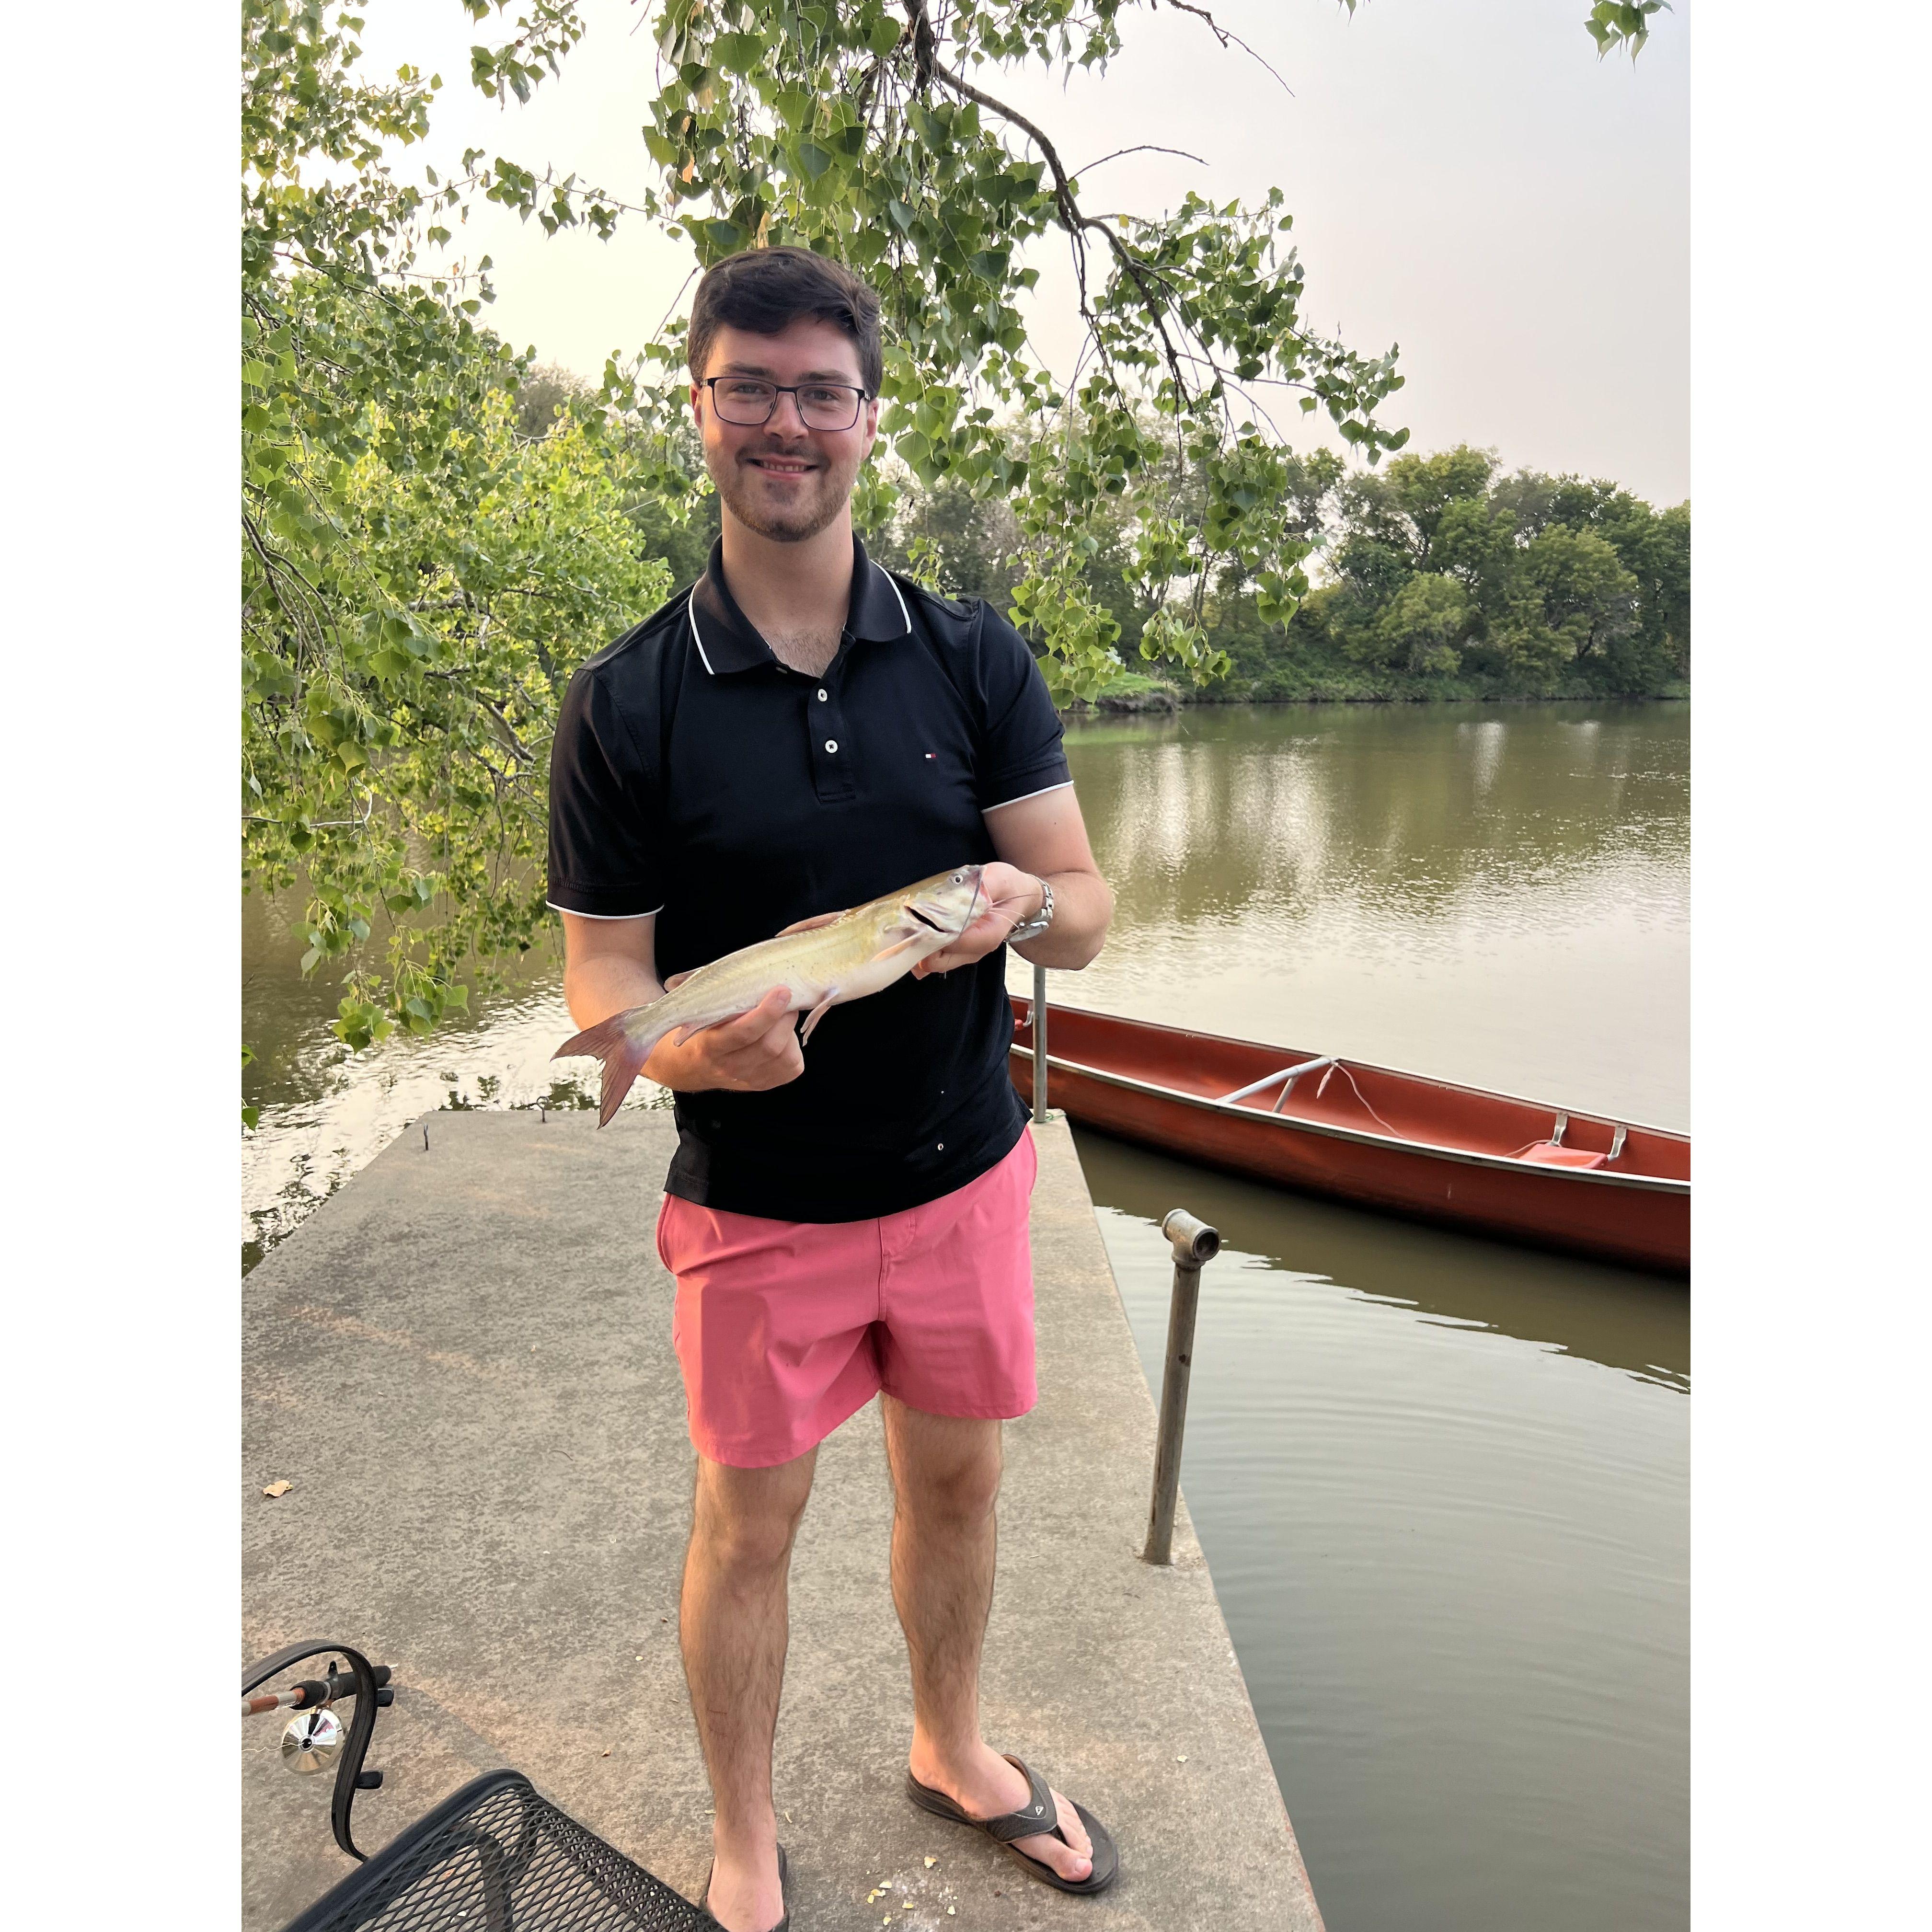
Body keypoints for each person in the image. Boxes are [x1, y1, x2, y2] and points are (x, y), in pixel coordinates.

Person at [547, 246, 1117, 1932]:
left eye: (820, 391)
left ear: (869, 419)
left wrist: (1024, 910)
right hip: (756, 1206)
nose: (785, 423)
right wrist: (682, 1050)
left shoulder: (972, 656)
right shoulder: (623, 703)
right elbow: (606, 978)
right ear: (702, 409)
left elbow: (1082, 911)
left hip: (962, 1179)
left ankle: (951, 1744)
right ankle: (742, 1832)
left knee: (960, 1486)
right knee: (752, 1524)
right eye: (751, 387)